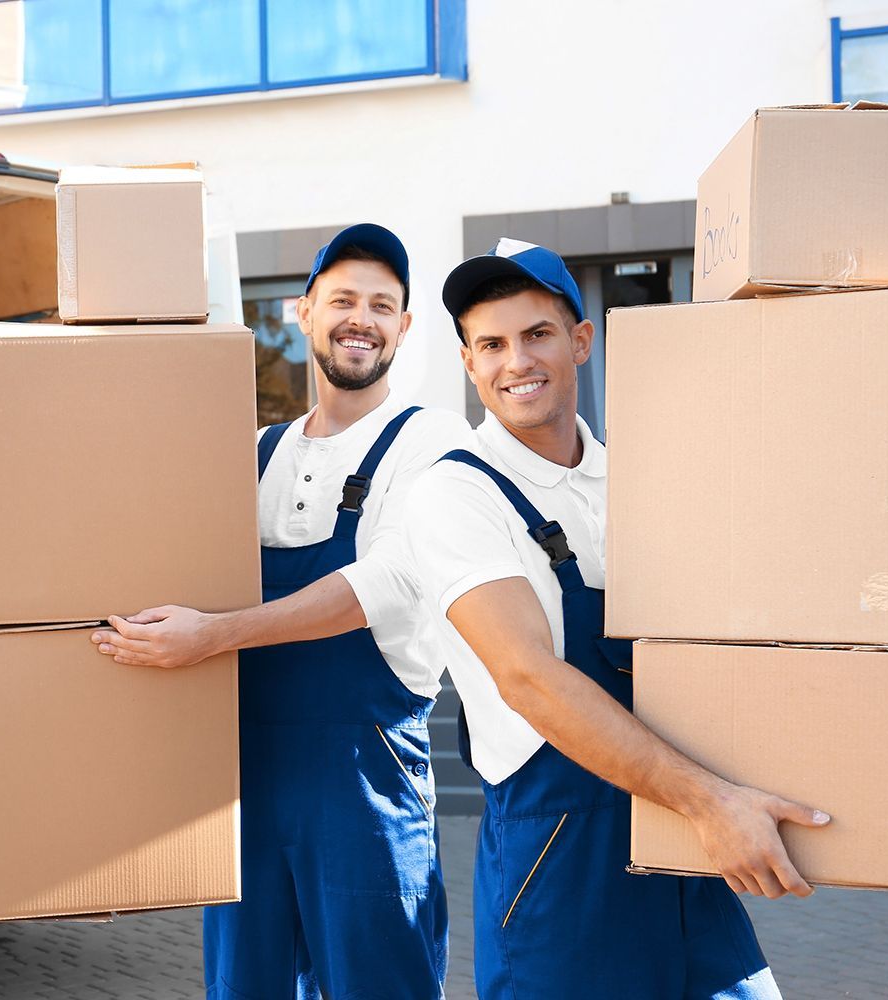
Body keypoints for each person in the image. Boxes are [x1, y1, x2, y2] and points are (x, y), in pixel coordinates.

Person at [407, 238, 828, 999]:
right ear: (470, 365)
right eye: (491, 345)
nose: (516, 362)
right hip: (564, 857)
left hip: (680, 837)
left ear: (581, 341)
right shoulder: (453, 494)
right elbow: (527, 677)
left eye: (536, 334)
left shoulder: (640, 479)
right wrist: (714, 802)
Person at [90, 224, 470, 999]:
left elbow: (387, 583)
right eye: (342, 299)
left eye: (381, 304)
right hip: (243, 781)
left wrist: (214, 635)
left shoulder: (431, 441)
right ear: (302, 313)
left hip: (367, 782)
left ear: (403, 326)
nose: (359, 317)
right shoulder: (256, 453)